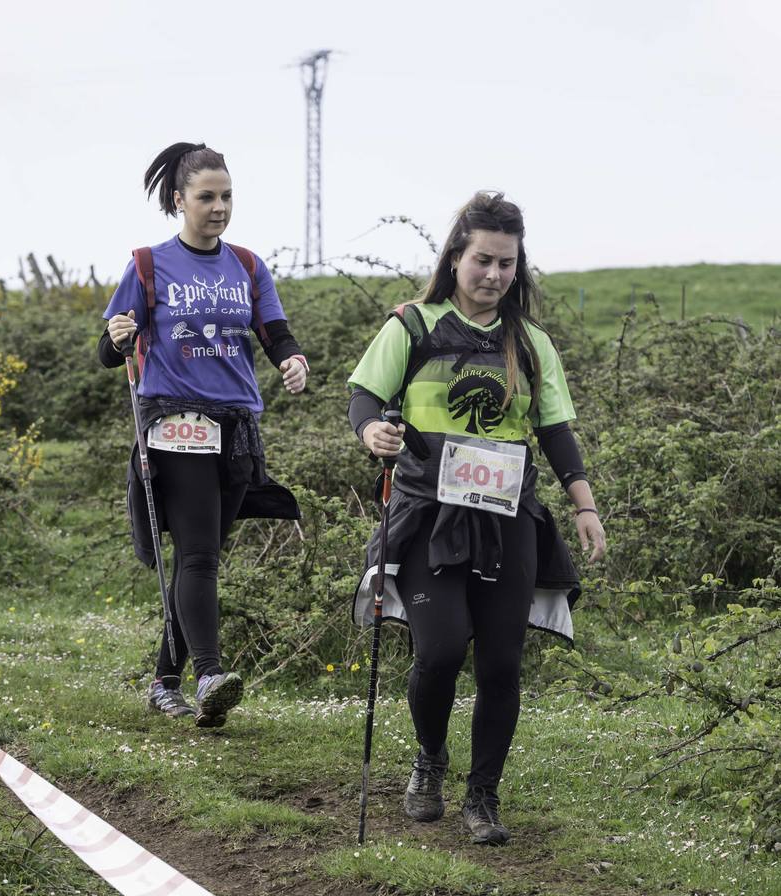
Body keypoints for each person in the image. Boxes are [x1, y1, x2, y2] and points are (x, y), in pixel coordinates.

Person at [347, 191, 607, 844]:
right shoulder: (412, 325)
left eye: (507, 264)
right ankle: (429, 759)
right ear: (457, 255)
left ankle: (483, 797)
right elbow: (364, 396)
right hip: (428, 514)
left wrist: (585, 506)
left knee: (500, 664)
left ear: (519, 268)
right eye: (482, 261)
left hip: (507, 518)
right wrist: (373, 430)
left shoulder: (531, 343)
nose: (493, 276)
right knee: (437, 651)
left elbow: (556, 432)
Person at [99, 142, 309, 728]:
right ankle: (210, 675)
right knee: (198, 555)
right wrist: (118, 336)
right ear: (179, 200)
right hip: (175, 422)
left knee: (204, 557)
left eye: (226, 196)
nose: (219, 208)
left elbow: (276, 333)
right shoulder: (147, 263)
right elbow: (107, 351)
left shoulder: (247, 265)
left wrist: (293, 362)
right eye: (206, 197)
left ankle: (164, 680)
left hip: (238, 426)